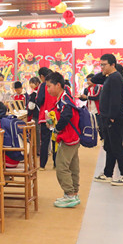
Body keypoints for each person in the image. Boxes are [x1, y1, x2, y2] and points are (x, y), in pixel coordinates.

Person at [92, 54, 123, 186]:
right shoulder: (110, 77)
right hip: (108, 117)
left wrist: (112, 117)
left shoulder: (115, 78)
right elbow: (95, 79)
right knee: (109, 147)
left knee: (116, 147)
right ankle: (108, 173)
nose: (101, 67)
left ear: (113, 65)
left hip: (114, 118)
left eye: (104, 65)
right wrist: (104, 71)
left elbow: (115, 100)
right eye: (101, 65)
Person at [45, 72, 81, 208]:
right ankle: (74, 193)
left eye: (49, 86)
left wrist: (57, 129)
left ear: (58, 85)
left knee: (61, 166)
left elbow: (67, 115)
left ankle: (69, 194)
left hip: (68, 137)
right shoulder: (64, 97)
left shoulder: (64, 99)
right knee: (73, 166)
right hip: (73, 136)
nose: (48, 89)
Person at [35, 67, 57, 170]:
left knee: (44, 141)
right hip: (56, 116)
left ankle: (42, 165)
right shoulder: (57, 84)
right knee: (56, 139)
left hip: (46, 116)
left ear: (42, 76)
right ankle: (56, 163)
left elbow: (39, 100)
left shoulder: (43, 85)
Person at [79, 74, 102, 139]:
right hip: (90, 110)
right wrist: (80, 97)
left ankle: (102, 138)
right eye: (87, 80)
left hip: (97, 111)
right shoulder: (86, 89)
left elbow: (97, 96)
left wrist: (87, 97)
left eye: (90, 80)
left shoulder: (98, 87)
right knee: (91, 126)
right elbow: (85, 98)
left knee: (100, 127)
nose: (88, 82)